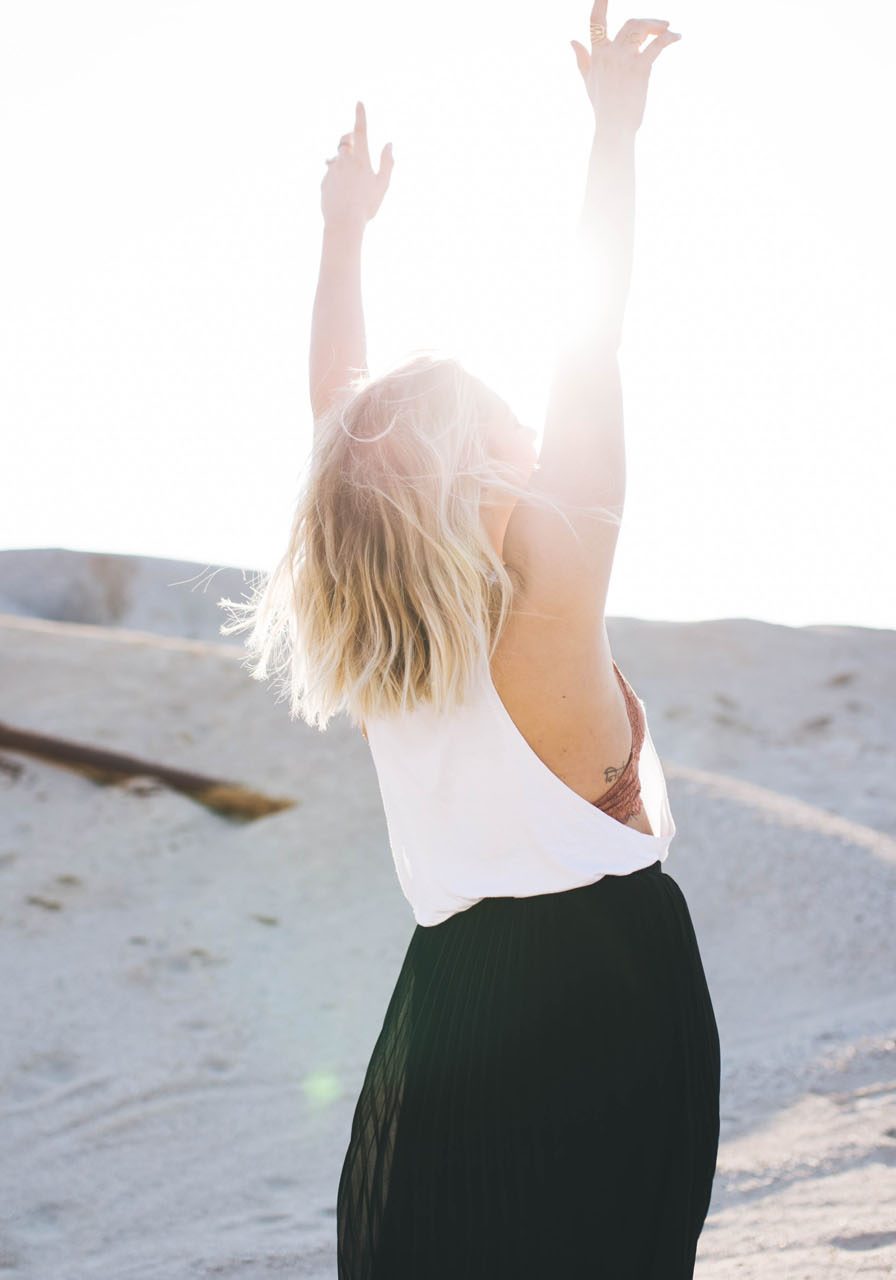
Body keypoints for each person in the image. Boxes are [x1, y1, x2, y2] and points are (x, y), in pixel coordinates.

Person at [220, 4, 720, 1276]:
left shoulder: (399, 650)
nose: (531, 438)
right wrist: (614, 133)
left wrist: (342, 236)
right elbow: (591, 338)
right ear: (484, 458)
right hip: (604, 996)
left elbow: (337, 411)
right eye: (508, 423)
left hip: (445, 1004)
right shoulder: (553, 573)